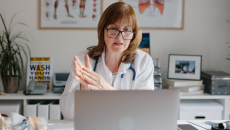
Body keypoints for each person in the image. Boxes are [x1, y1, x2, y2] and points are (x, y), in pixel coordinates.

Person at [60, 2, 155, 120]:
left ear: (133, 35)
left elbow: (145, 111)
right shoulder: (83, 60)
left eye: (126, 30)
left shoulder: (143, 62)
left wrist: (106, 89)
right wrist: (82, 90)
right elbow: (68, 114)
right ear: (103, 31)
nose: (119, 37)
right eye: (113, 29)